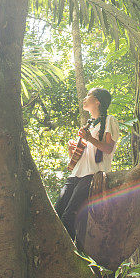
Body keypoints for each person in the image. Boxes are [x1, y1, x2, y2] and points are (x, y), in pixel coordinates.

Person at [55, 87, 120, 243]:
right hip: (76, 174)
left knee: (69, 214)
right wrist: (72, 151)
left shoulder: (110, 120)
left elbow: (108, 148)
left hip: (92, 174)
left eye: (88, 96)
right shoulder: (89, 125)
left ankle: (70, 253)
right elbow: (82, 155)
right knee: (57, 212)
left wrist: (89, 139)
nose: (84, 98)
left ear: (97, 101)